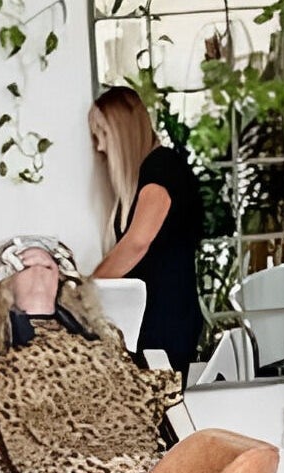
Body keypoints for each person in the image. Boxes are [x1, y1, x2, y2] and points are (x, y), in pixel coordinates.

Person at [0, 237, 182, 473]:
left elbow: (133, 404)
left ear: (61, 280)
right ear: (5, 286)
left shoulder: (100, 348)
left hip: (124, 454)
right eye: (26, 265)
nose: (38, 271)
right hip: (57, 469)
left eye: (48, 265)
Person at [89, 86, 205, 366]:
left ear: (123, 132)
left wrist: (87, 290)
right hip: (156, 321)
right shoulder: (148, 175)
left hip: (165, 324)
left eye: (103, 135)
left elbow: (138, 242)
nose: (100, 146)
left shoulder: (163, 167)